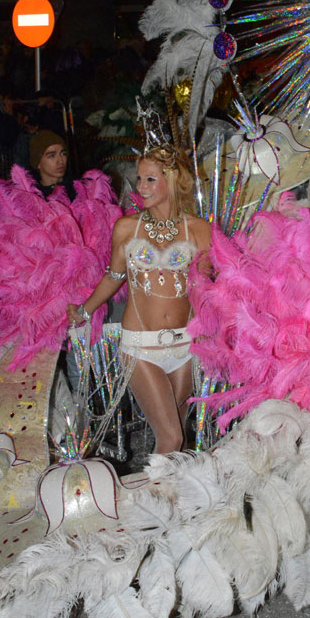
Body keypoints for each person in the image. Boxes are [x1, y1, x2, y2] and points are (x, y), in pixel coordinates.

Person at [67, 141, 212, 456]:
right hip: (141, 346)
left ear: (171, 180)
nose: (141, 187)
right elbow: (114, 276)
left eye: (150, 179)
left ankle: (172, 488)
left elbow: (206, 286)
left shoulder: (199, 229)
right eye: (139, 179)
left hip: (185, 345)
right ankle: (152, 488)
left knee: (178, 440)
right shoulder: (127, 228)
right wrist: (84, 310)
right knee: (170, 438)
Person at [29, 130, 76, 199]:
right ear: (38, 163)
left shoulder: (78, 190)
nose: (60, 161)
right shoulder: (33, 197)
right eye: (52, 156)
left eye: (63, 154)